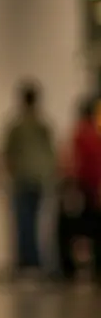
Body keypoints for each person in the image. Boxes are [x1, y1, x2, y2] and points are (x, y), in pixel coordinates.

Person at [2, 82, 56, 274]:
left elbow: (7, 155)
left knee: (24, 223)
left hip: (23, 179)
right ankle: (35, 263)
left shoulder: (17, 126)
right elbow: (51, 155)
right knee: (34, 223)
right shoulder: (43, 125)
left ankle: (28, 263)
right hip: (39, 179)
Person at [63, 96, 101, 282]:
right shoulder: (93, 133)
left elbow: (75, 163)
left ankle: (76, 267)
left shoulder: (80, 133)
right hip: (91, 189)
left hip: (83, 187)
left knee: (79, 230)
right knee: (91, 229)